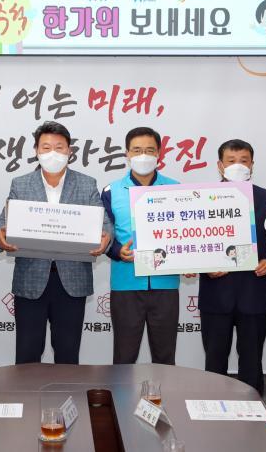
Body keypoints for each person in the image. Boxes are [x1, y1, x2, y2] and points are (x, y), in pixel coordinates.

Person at [0, 121, 112, 365]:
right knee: (27, 354)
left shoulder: (87, 183)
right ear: (36, 151)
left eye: (59, 147)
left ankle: (65, 392)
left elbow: (105, 225)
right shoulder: (21, 183)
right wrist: (0, 235)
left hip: (72, 281)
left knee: (68, 354)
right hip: (30, 279)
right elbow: (3, 222)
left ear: (69, 151)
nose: (53, 153)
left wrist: (106, 238)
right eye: (46, 147)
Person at [198, 139, 266, 397]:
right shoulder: (201, 198)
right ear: (220, 165)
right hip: (216, 294)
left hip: (253, 292)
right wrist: (204, 266)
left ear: (252, 165)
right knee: (214, 360)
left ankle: (254, 409)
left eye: (243, 161)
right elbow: (193, 242)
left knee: (252, 360)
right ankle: (213, 409)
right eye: (231, 161)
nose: (238, 165)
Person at [100, 127, 183, 365]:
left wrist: (190, 261)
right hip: (126, 284)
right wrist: (117, 251)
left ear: (159, 153)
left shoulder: (176, 189)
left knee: (165, 356)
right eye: (137, 150)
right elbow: (103, 233)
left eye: (149, 150)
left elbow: (185, 233)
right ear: (127, 153)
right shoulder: (111, 191)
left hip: (165, 283)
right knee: (124, 356)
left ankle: (163, 392)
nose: (143, 155)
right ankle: (121, 392)